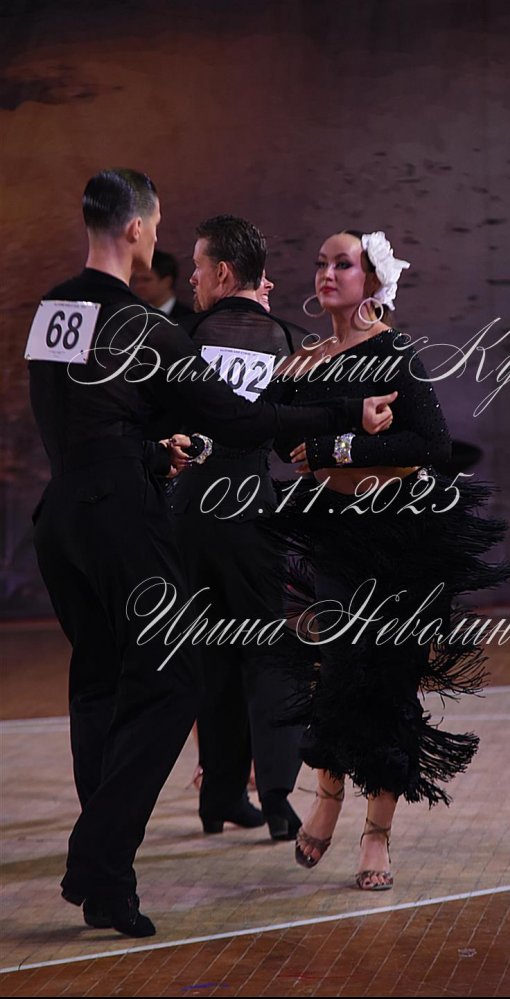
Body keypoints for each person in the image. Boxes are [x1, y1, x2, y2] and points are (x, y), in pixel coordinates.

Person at [27, 170, 397, 937]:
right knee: (175, 683)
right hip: (120, 521)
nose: (161, 240)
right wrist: (343, 408)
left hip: (60, 520)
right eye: (158, 225)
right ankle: (97, 857)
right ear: (135, 228)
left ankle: (105, 881)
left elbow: (75, 417)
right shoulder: (147, 327)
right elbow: (241, 420)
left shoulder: (53, 310)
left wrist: (143, 449)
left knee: (98, 683)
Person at [266, 229, 510, 890]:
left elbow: (430, 442)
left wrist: (334, 448)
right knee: (336, 669)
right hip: (336, 532)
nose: (327, 273)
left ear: (372, 280)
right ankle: (327, 793)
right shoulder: (305, 359)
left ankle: (376, 833)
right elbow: (275, 432)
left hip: (400, 534)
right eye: (320, 262)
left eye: (342, 263)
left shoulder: (394, 350)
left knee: (389, 680)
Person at [174, 216, 307, 841]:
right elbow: (288, 442)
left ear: (223, 273)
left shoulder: (183, 335)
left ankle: (219, 796)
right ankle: (275, 796)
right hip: (250, 508)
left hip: (190, 513)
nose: (193, 278)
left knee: (212, 655)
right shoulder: (284, 340)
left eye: (199, 267)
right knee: (268, 655)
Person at [131, 248, 193, 319]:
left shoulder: (188, 318)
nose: (138, 286)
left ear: (167, 282)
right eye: (136, 280)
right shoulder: (133, 316)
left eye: (146, 280)